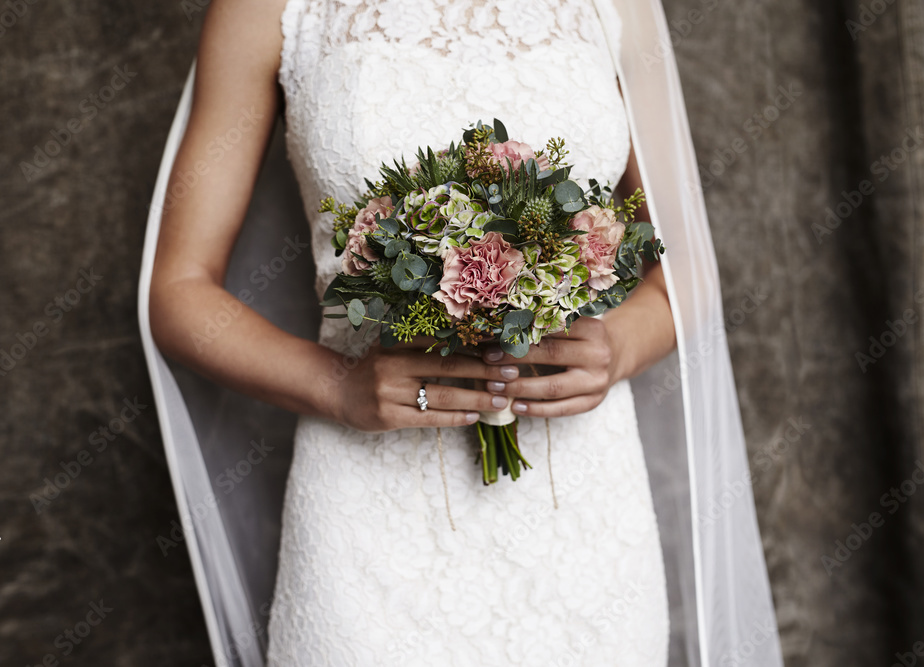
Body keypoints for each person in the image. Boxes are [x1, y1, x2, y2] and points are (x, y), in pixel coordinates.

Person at [142, 1, 783, 665]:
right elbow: (179, 290)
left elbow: (686, 266)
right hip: (370, 514)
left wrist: (618, 346)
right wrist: (338, 386)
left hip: (583, 516)